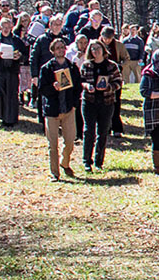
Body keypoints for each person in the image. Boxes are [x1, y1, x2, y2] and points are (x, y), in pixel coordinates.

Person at [37, 38, 79, 181]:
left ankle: (65, 162)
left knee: (70, 141)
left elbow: (77, 88)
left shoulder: (72, 67)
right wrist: (52, 87)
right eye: (58, 48)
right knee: (52, 144)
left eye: (62, 47)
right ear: (53, 51)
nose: (61, 50)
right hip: (52, 111)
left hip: (68, 110)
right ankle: (54, 173)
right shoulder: (46, 68)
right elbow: (41, 89)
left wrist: (74, 105)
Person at [79, 40, 122, 172]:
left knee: (102, 132)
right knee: (88, 131)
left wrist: (108, 87)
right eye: (92, 49)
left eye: (98, 48)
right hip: (89, 101)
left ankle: (99, 161)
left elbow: (119, 82)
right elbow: (81, 81)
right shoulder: (86, 65)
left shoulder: (112, 66)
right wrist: (87, 86)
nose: (95, 51)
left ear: (103, 50)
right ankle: (87, 161)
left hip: (106, 102)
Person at [0, 17, 27, 127]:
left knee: (11, 94)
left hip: (12, 71)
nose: (6, 29)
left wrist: (19, 56)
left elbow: (25, 56)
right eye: (3, 27)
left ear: (11, 27)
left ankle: (9, 119)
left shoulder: (17, 40)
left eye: (8, 27)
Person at [30, 15, 67, 125]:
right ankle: (43, 122)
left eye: (59, 24)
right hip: (45, 74)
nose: (57, 27)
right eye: (55, 24)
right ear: (50, 26)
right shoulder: (42, 40)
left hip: (61, 72)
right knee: (44, 98)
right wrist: (34, 76)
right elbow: (34, 58)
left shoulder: (65, 40)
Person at [99, 27, 131, 137]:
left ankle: (117, 127)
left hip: (115, 75)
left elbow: (127, 58)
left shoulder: (119, 45)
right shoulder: (96, 44)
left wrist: (120, 67)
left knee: (115, 101)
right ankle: (104, 128)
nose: (107, 40)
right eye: (105, 38)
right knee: (102, 102)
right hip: (100, 75)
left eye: (109, 38)